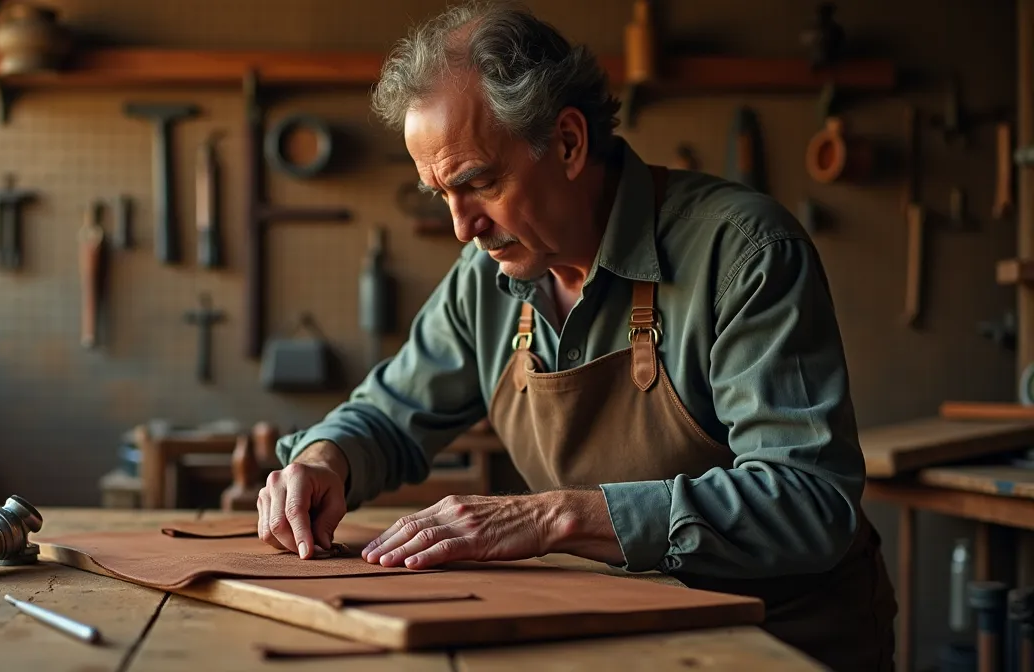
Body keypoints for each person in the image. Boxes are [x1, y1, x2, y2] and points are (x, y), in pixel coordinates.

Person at [255, 1, 896, 669]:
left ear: (566, 142)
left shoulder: (744, 255)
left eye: (478, 183)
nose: (460, 227)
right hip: (620, 634)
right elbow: (387, 417)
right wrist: (326, 460)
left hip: (779, 641)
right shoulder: (486, 275)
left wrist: (550, 518)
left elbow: (809, 502)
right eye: (438, 195)